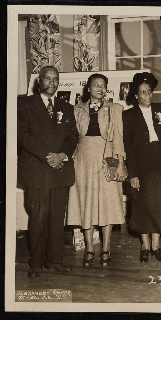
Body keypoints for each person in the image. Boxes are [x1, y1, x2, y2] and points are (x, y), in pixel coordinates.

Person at [17, 66, 79, 277]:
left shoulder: (66, 107)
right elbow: (23, 136)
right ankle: (35, 263)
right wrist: (48, 156)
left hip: (60, 171)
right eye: (47, 79)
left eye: (56, 79)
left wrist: (61, 155)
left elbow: (73, 137)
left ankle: (56, 261)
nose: (52, 83)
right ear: (39, 81)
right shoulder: (24, 104)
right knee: (37, 219)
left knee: (56, 219)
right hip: (37, 170)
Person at [67, 73, 127, 268]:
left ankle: (106, 248)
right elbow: (72, 139)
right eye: (95, 85)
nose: (99, 88)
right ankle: (89, 248)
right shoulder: (76, 110)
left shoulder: (115, 109)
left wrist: (119, 162)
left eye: (103, 86)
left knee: (107, 204)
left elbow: (118, 137)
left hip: (106, 160)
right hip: (83, 161)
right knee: (87, 205)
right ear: (88, 89)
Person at [123, 72, 161, 262]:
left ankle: (156, 246)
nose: (147, 96)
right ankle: (144, 246)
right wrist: (132, 173)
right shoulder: (129, 115)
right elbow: (128, 147)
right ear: (136, 95)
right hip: (142, 167)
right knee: (142, 206)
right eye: (142, 92)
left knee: (160, 206)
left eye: (149, 92)